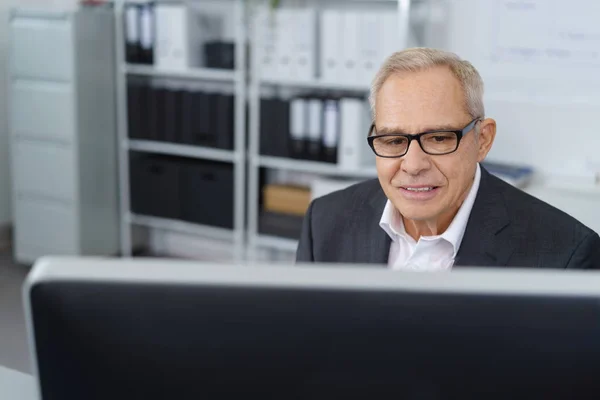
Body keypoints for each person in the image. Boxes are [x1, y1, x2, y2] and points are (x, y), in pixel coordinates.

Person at [296, 47, 600, 270]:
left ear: (483, 140)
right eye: (393, 140)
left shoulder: (566, 255)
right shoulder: (323, 223)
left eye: (439, 138)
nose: (413, 165)